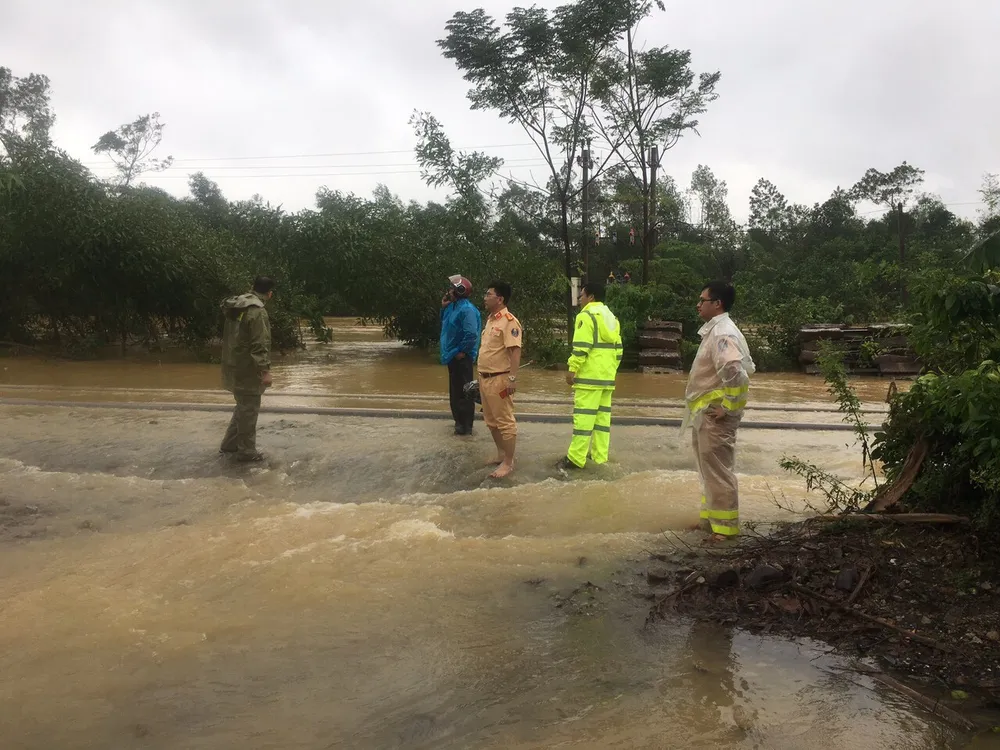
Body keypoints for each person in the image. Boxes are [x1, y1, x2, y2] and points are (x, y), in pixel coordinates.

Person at [685, 280, 755, 541]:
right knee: (709, 471)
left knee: (718, 472)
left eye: (702, 300)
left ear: (717, 304)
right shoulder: (715, 330)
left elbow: (736, 374)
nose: (698, 304)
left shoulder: (722, 333)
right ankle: (711, 522)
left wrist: (728, 407)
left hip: (716, 416)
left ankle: (725, 532)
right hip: (707, 413)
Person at [556, 282, 623, 470]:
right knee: (602, 422)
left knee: (583, 419)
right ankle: (599, 457)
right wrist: (609, 371)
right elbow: (619, 350)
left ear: (591, 297)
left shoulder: (585, 316)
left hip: (588, 380)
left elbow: (581, 347)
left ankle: (576, 459)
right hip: (606, 380)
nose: (580, 299)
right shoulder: (612, 318)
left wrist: (572, 369)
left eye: (582, 295)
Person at [219, 276, 275, 462]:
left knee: (243, 406)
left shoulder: (237, 305)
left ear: (252, 287)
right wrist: (265, 370)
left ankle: (229, 445)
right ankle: (246, 452)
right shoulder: (257, 311)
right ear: (269, 294)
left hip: (233, 363)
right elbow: (260, 343)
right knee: (249, 408)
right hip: (247, 367)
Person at [477, 280, 522, 479]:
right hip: (484, 378)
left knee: (505, 421)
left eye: (489, 294)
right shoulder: (490, 320)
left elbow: (514, 352)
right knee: (491, 421)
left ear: (500, 298)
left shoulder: (509, 321)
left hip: (500, 379)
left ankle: (509, 462)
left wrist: (512, 378)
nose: (485, 298)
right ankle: (501, 454)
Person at [440, 274, 481, 435]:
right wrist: (443, 306)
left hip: (461, 357)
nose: (449, 291)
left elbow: (471, 334)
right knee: (455, 391)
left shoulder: (467, 309)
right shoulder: (453, 306)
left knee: (464, 392)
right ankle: (458, 422)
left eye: (451, 288)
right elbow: (444, 325)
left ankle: (465, 426)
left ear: (459, 290)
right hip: (452, 355)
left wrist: (462, 351)